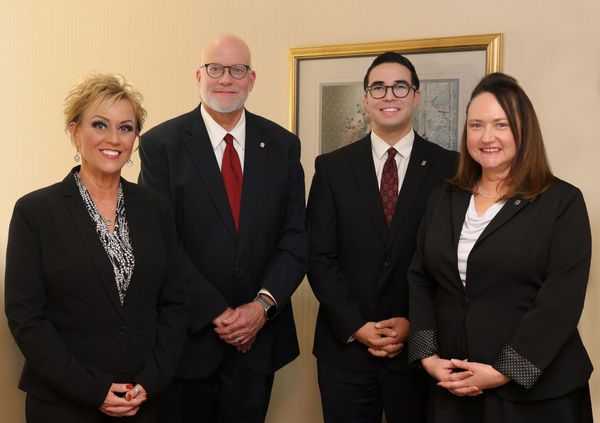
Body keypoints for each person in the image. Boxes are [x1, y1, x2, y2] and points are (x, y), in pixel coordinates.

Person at [138, 34, 308, 423]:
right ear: (199, 75)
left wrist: (260, 308)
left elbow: (296, 236)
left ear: (252, 79)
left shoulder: (282, 145)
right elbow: (164, 243)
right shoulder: (160, 145)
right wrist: (218, 312)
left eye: (237, 69)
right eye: (215, 68)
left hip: (259, 339)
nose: (226, 78)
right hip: (189, 338)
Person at [408, 72, 593, 422]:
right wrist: (428, 357)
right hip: (454, 384)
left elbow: (561, 300)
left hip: (535, 394)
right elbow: (420, 279)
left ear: (524, 132)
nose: (486, 137)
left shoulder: (561, 202)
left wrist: (503, 371)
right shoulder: (443, 198)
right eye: (476, 125)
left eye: (500, 125)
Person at [4, 73, 188, 422]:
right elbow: (26, 317)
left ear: (135, 139)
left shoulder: (156, 209)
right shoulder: (35, 212)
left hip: (148, 401)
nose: (113, 139)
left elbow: (175, 304)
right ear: (74, 132)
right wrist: (94, 390)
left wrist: (151, 381)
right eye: (100, 124)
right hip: (65, 403)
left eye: (126, 128)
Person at [306, 52, 457, 423]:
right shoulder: (332, 167)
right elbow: (318, 255)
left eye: (400, 86)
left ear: (416, 96)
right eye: (378, 87)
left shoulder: (449, 168)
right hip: (345, 349)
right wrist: (357, 326)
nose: (389, 95)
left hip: (421, 350)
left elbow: (452, 261)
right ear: (366, 98)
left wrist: (411, 322)